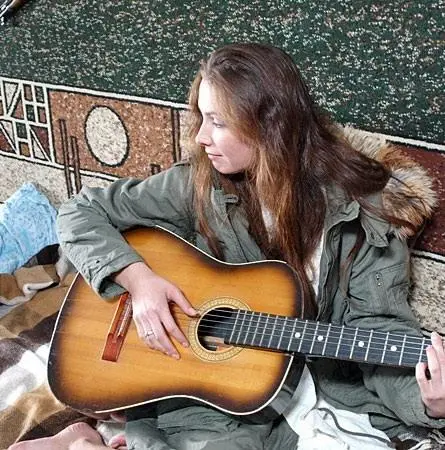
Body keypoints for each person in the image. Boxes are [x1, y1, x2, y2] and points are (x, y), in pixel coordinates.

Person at [11, 42, 445, 449]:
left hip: (313, 384)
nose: (201, 137)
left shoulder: (364, 212)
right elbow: (79, 212)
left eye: (217, 122)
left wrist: (429, 403)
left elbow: (380, 330)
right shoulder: (201, 184)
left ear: (271, 125)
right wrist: (139, 281)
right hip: (217, 388)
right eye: (201, 118)